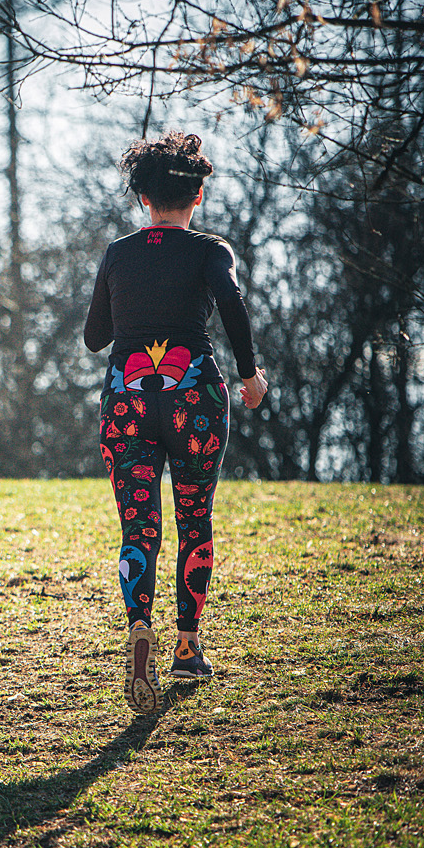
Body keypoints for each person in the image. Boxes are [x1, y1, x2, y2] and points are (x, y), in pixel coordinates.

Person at [83, 131, 268, 715]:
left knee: (139, 528)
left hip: (127, 399)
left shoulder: (118, 253)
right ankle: (187, 646)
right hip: (196, 399)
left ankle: (141, 623)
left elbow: (95, 338)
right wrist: (249, 373)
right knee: (195, 517)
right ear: (199, 194)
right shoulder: (211, 250)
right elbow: (231, 303)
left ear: (142, 198)